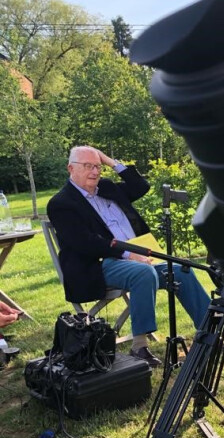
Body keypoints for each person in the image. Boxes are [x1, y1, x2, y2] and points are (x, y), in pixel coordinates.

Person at [46, 146, 212, 368]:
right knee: (143, 273)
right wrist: (128, 253)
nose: (94, 172)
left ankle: (210, 336)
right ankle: (139, 346)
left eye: (97, 166)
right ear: (70, 168)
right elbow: (85, 243)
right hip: (97, 265)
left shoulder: (106, 188)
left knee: (182, 271)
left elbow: (140, 186)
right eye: (87, 166)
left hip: (138, 256)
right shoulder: (62, 203)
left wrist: (110, 161)